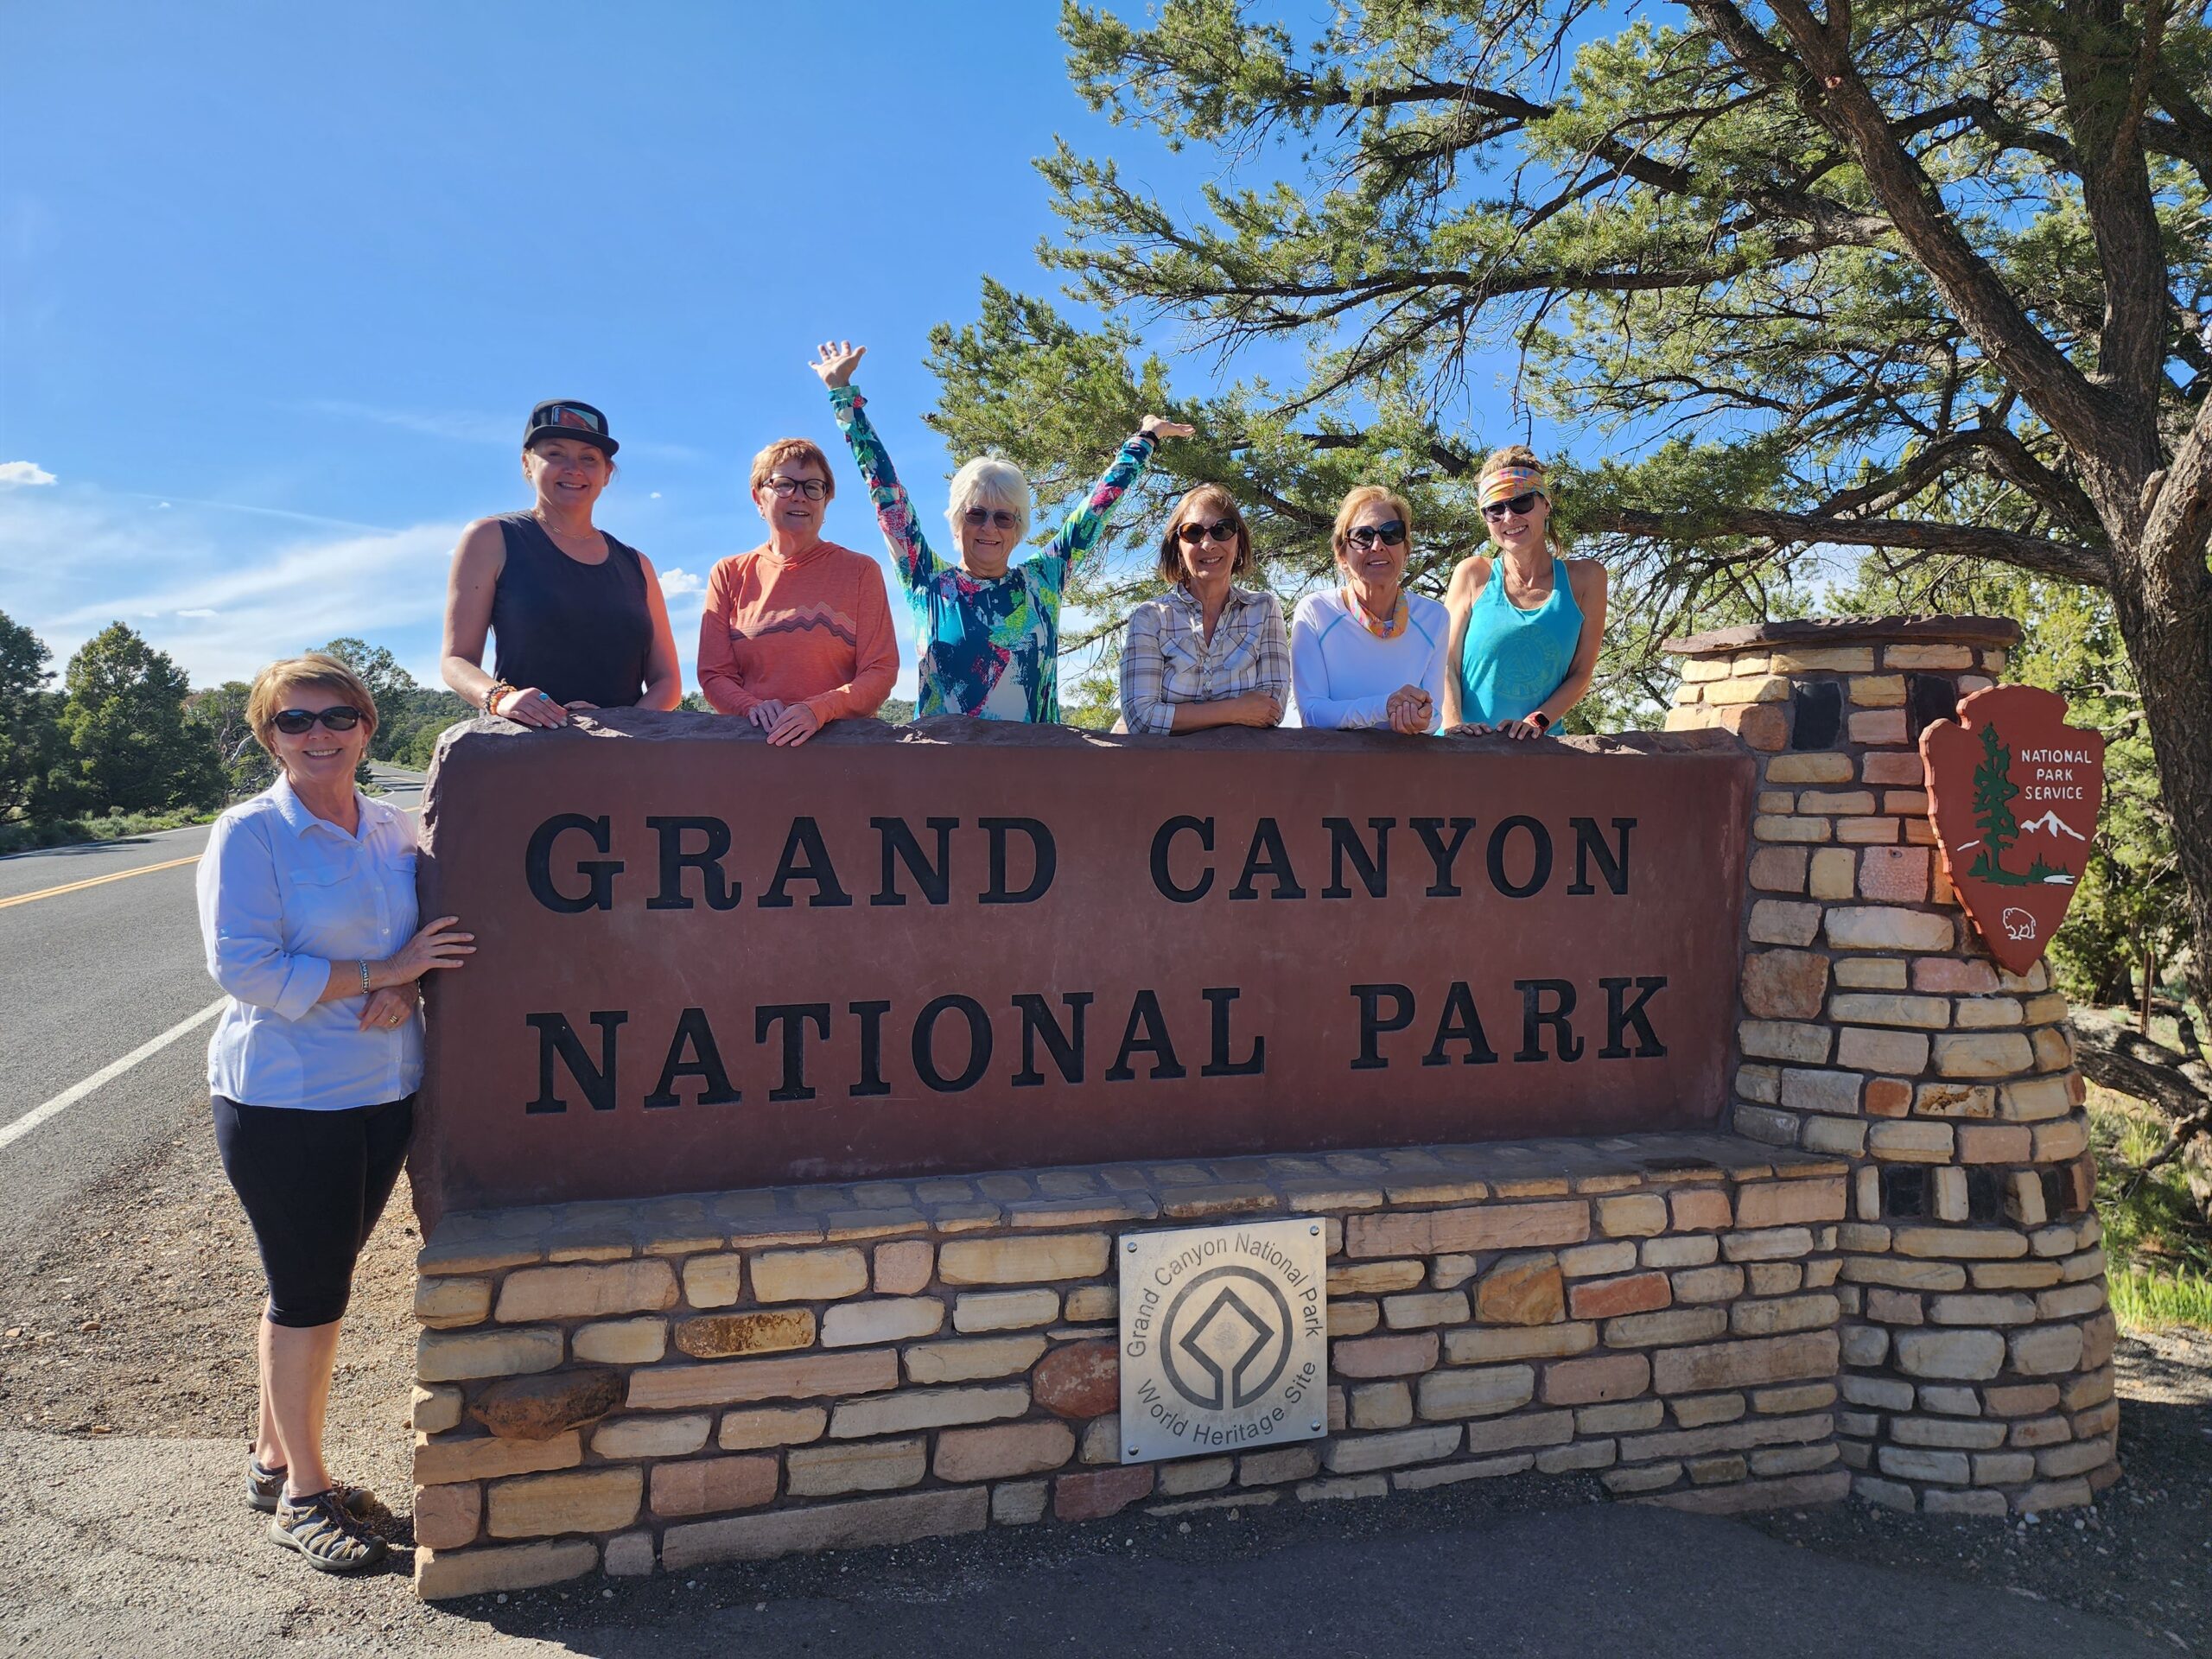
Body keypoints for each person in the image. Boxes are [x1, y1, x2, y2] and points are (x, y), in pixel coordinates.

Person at [196, 654, 474, 1573]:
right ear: (266, 735)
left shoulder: (393, 829)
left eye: (336, 716)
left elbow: (427, 933)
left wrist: (410, 975)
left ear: (365, 725)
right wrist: (379, 975)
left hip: (383, 1089)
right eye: (293, 721)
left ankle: (274, 1463)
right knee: (311, 1294)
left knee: (306, 1285)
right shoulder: (250, 836)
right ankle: (306, 1500)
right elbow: (245, 967)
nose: (318, 735)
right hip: (286, 1098)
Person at [812, 340, 1193, 721]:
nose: (989, 528)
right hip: (939, 773)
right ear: (957, 519)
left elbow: (1097, 505)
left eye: (1003, 517)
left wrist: (1145, 439)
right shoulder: (925, 580)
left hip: (1034, 774)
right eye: (976, 514)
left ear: (1018, 527)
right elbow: (886, 492)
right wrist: (842, 397)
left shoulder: (1044, 581)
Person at [439, 398, 683, 727]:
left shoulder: (637, 564)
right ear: (527, 463)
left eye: (589, 458)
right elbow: (456, 660)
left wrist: (622, 724)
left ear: (607, 473)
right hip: (521, 753)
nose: (574, 469)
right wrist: (501, 697)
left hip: (624, 761)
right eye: (555, 454)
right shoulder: (491, 538)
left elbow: (667, 682)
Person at [696, 436, 899, 745]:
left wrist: (819, 709)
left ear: (826, 499)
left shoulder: (861, 571)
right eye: (784, 485)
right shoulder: (728, 574)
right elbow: (714, 675)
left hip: (842, 752)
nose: (800, 497)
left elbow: (880, 671)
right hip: (752, 750)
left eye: (813, 487)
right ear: (757, 497)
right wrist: (753, 708)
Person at [1443, 446, 1608, 740]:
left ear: (1545, 504)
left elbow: (1582, 674)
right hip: (1463, 752)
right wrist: (1455, 727)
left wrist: (1537, 721)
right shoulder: (1472, 575)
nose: (1509, 517)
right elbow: (1445, 663)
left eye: (1521, 503)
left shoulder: (1586, 580)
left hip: (1538, 754)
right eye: (1495, 509)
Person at [1118, 486, 1289, 733]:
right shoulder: (1150, 617)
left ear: (1238, 541)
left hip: (1243, 768)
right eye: (1193, 533)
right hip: (1163, 769)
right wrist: (1237, 710)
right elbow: (1141, 717)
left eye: (1222, 530)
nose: (1207, 544)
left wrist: (1178, 717)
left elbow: (1272, 708)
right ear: (1177, 546)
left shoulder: (1263, 609)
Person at [1288, 485, 1449, 732]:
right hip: (1334, 769)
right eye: (1363, 536)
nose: (1377, 545)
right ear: (1341, 554)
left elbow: (1436, 715)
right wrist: (1385, 707)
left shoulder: (1435, 618)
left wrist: (1422, 718)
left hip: (1405, 768)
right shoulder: (1315, 612)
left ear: (1406, 549)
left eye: (1391, 533)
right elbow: (1312, 714)